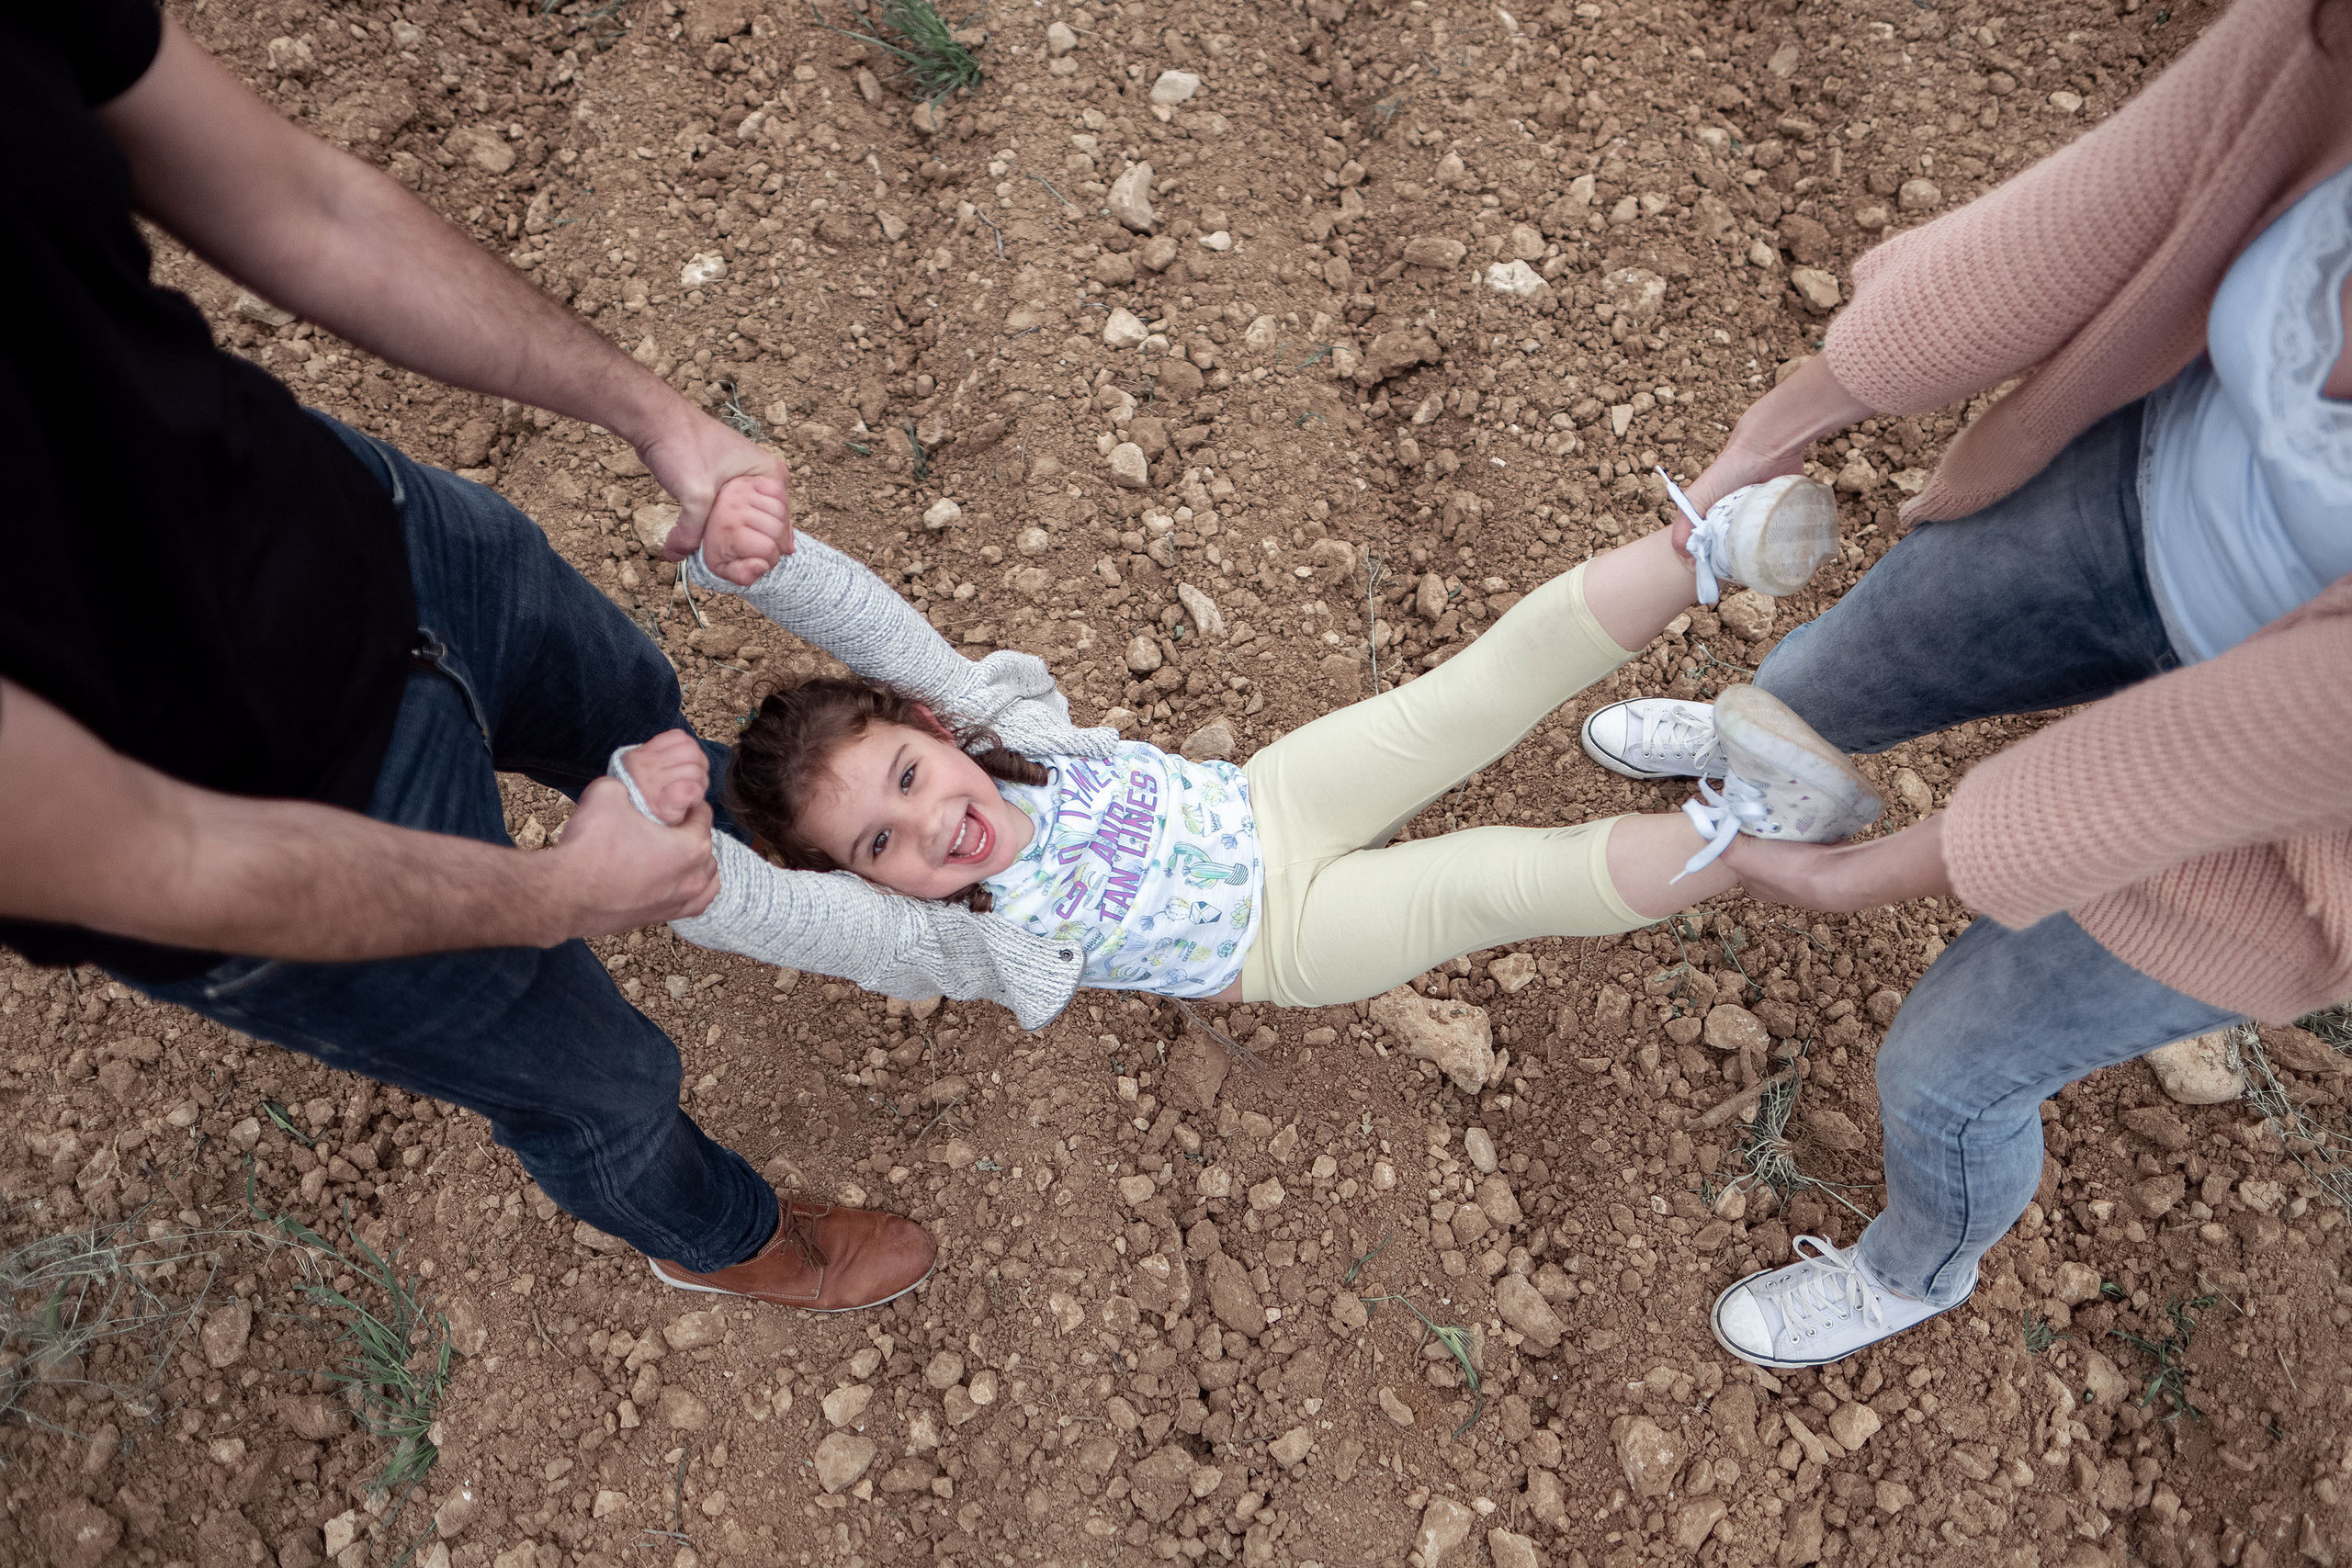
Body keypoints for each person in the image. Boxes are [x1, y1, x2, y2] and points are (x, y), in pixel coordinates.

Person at [0, 8, 935, 1312]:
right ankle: (724, 1236)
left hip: (396, 534)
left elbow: (306, 202)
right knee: (599, 1084)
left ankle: (802, 852)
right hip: (276, 816)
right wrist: (564, 894)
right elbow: (162, 857)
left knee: (639, 718)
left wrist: (663, 422)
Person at [1573, 0, 2352, 1368]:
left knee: (1948, 1072)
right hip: (2149, 498)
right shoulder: (2330, 39)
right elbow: (2120, 194)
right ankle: (1751, 760)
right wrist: (1784, 422)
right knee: (1816, 677)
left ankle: (1915, 1267)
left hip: (2295, 840)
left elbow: (2209, 760)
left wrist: (1846, 878)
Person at [601, 476, 1882, 1044]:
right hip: (1284, 942)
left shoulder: (1001, 733)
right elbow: (797, 920)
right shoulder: (956, 934)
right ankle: (1747, 829)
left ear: (933, 734)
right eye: (877, 846)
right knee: (1494, 882)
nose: (925, 826)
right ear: (868, 885)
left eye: (906, 779)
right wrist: (698, 879)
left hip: (1269, 794)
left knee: (1465, 694)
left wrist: (749, 563)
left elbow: (880, 634)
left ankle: (1700, 551)